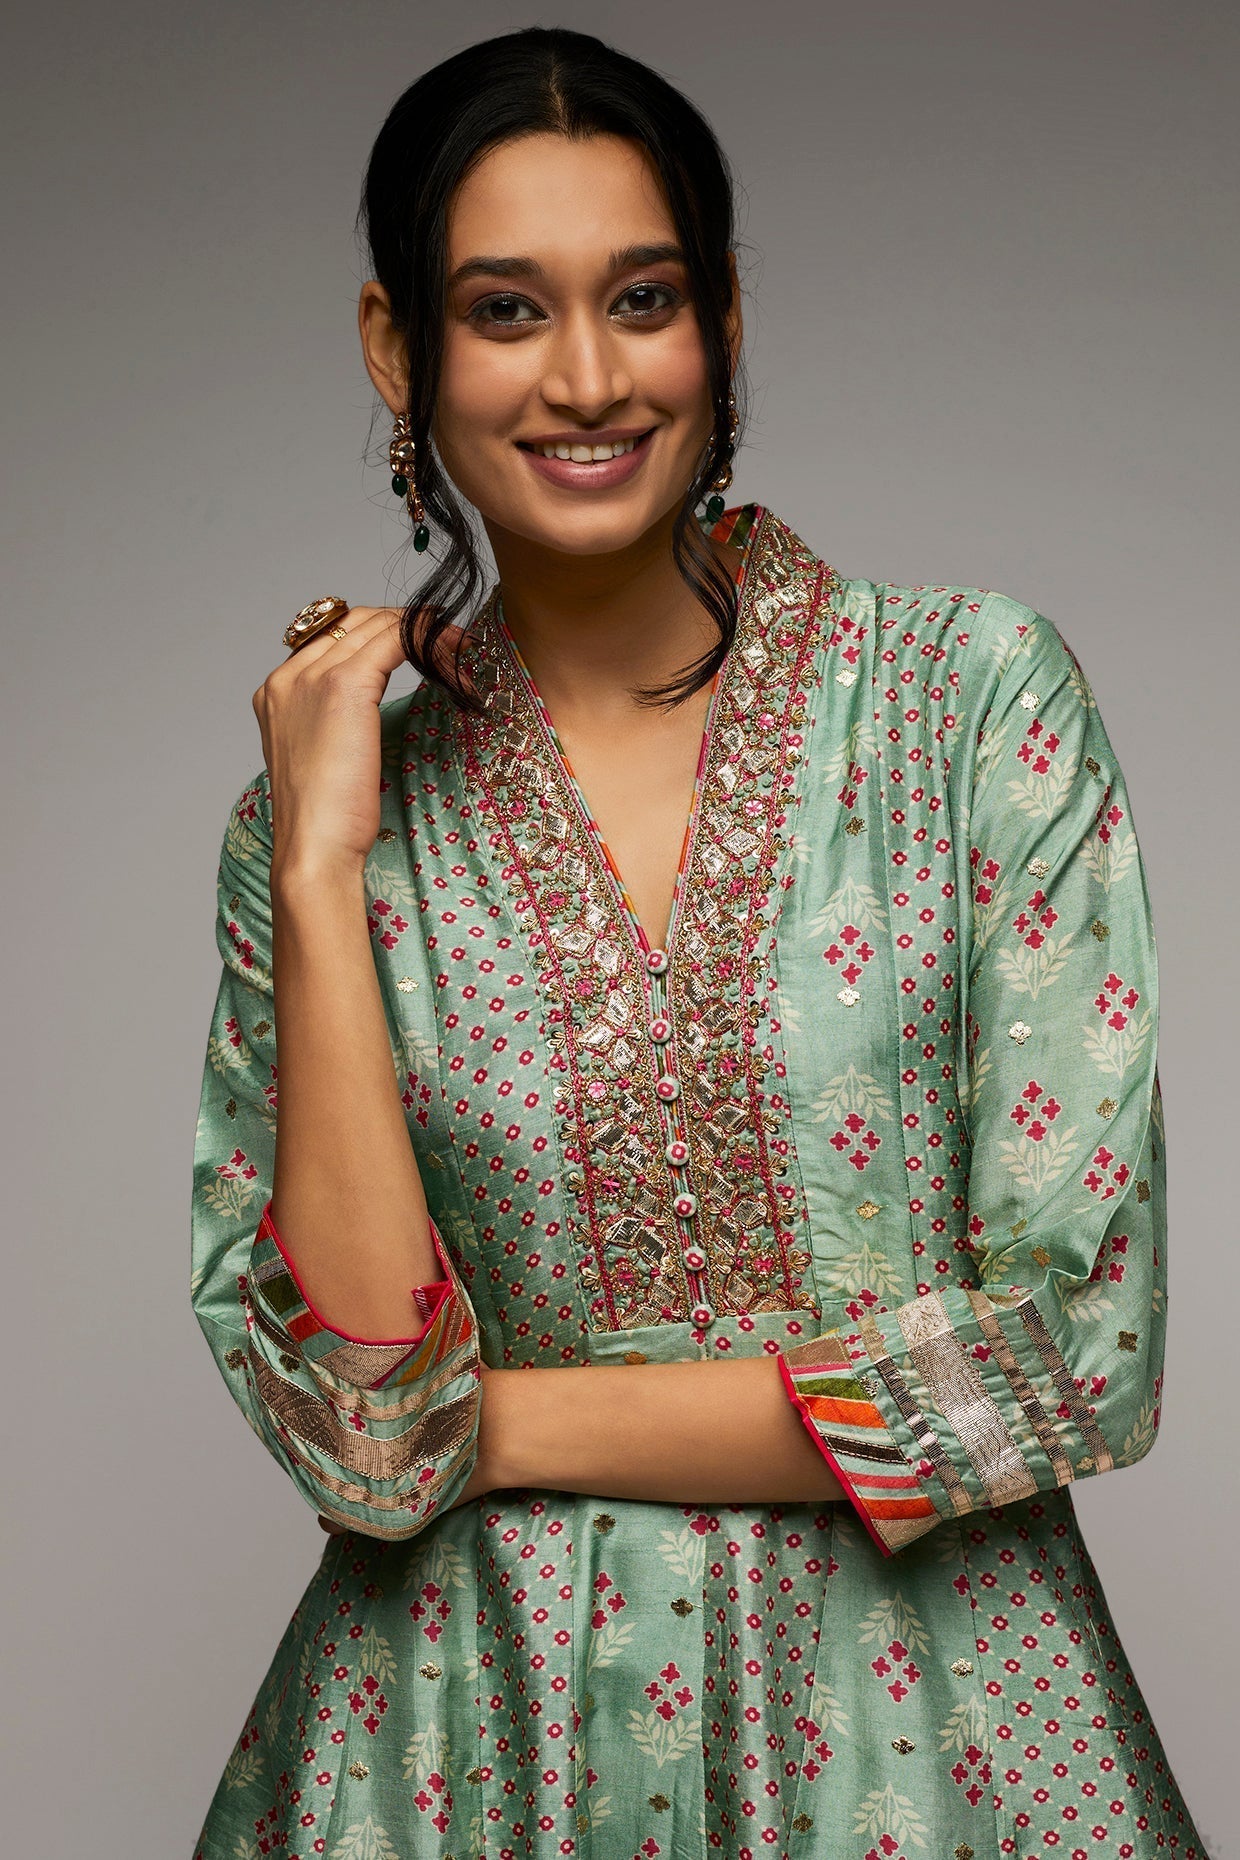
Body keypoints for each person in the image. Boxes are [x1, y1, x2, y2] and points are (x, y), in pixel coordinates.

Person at [189, 26, 1205, 1859]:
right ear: (399, 351)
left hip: (943, 1751)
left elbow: (1067, 1357)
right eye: (506, 311)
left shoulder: (969, 706)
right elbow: (361, 1431)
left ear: (724, 319)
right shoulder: (321, 828)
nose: (586, 376)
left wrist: (494, 1431)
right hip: (466, 1742)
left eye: (641, 299)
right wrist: (325, 868)